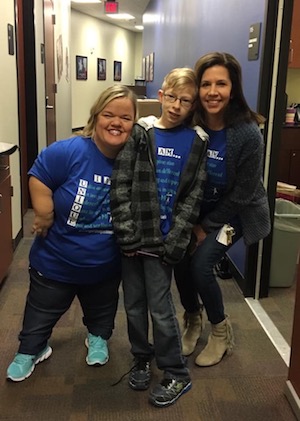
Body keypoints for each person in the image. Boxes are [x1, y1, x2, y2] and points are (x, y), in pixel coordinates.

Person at [6, 85, 138, 382]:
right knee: (40, 314)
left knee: (102, 311)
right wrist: (44, 213)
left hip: (104, 264)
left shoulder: (134, 161)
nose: (116, 122)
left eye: (125, 118)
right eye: (109, 115)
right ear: (96, 116)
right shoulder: (69, 151)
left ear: (134, 124)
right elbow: (39, 175)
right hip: (55, 262)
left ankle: (97, 338)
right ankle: (31, 350)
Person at [110, 68, 208, 408]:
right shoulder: (142, 133)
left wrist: (176, 239)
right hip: (133, 237)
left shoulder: (197, 140)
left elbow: (193, 197)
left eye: (186, 101)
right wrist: (125, 231)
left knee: (162, 309)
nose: (177, 106)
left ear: (192, 104)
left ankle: (176, 372)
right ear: (161, 94)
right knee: (134, 305)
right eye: (172, 97)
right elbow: (120, 184)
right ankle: (141, 357)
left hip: (163, 242)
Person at [174, 52, 271, 367]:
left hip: (235, 216)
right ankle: (192, 319)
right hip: (198, 212)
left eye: (221, 84)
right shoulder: (190, 125)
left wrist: (205, 227)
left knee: (202, 264)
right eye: (205, 84)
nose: (212, 91)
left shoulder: (247, 134)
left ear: (233, 88)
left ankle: (220, 330)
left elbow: (243, 193)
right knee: (179, 256)